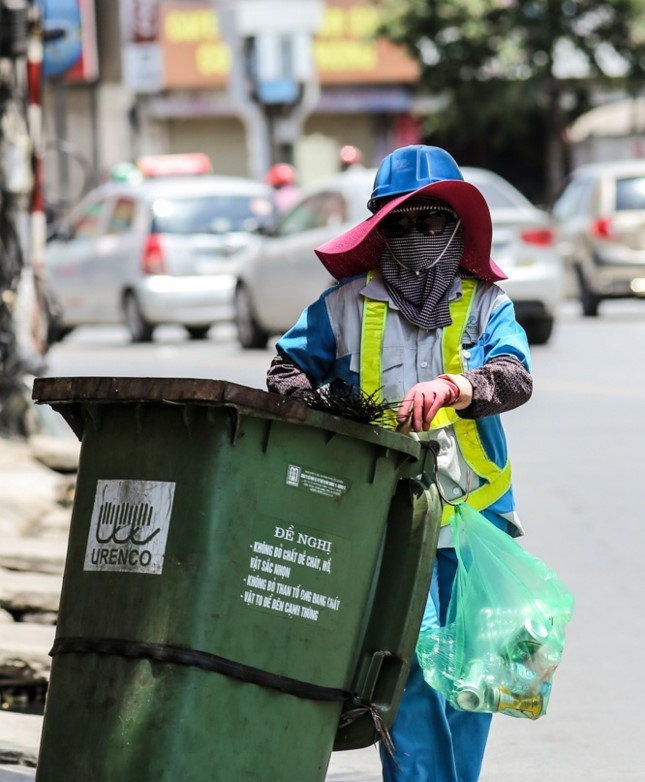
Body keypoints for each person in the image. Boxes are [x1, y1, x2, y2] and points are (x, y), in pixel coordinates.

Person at [265, 144, 533, 782]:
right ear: (382, 226)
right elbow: (285, 371)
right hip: (386, 524)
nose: (423, 235)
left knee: (474, 680)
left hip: (476, 525)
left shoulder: (488, 305)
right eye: (407, 222)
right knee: (404, 671)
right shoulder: (344, 306)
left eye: (437, 222)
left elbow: (515, 377)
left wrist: (455, 387)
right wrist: (335, 417)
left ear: (459, 230)